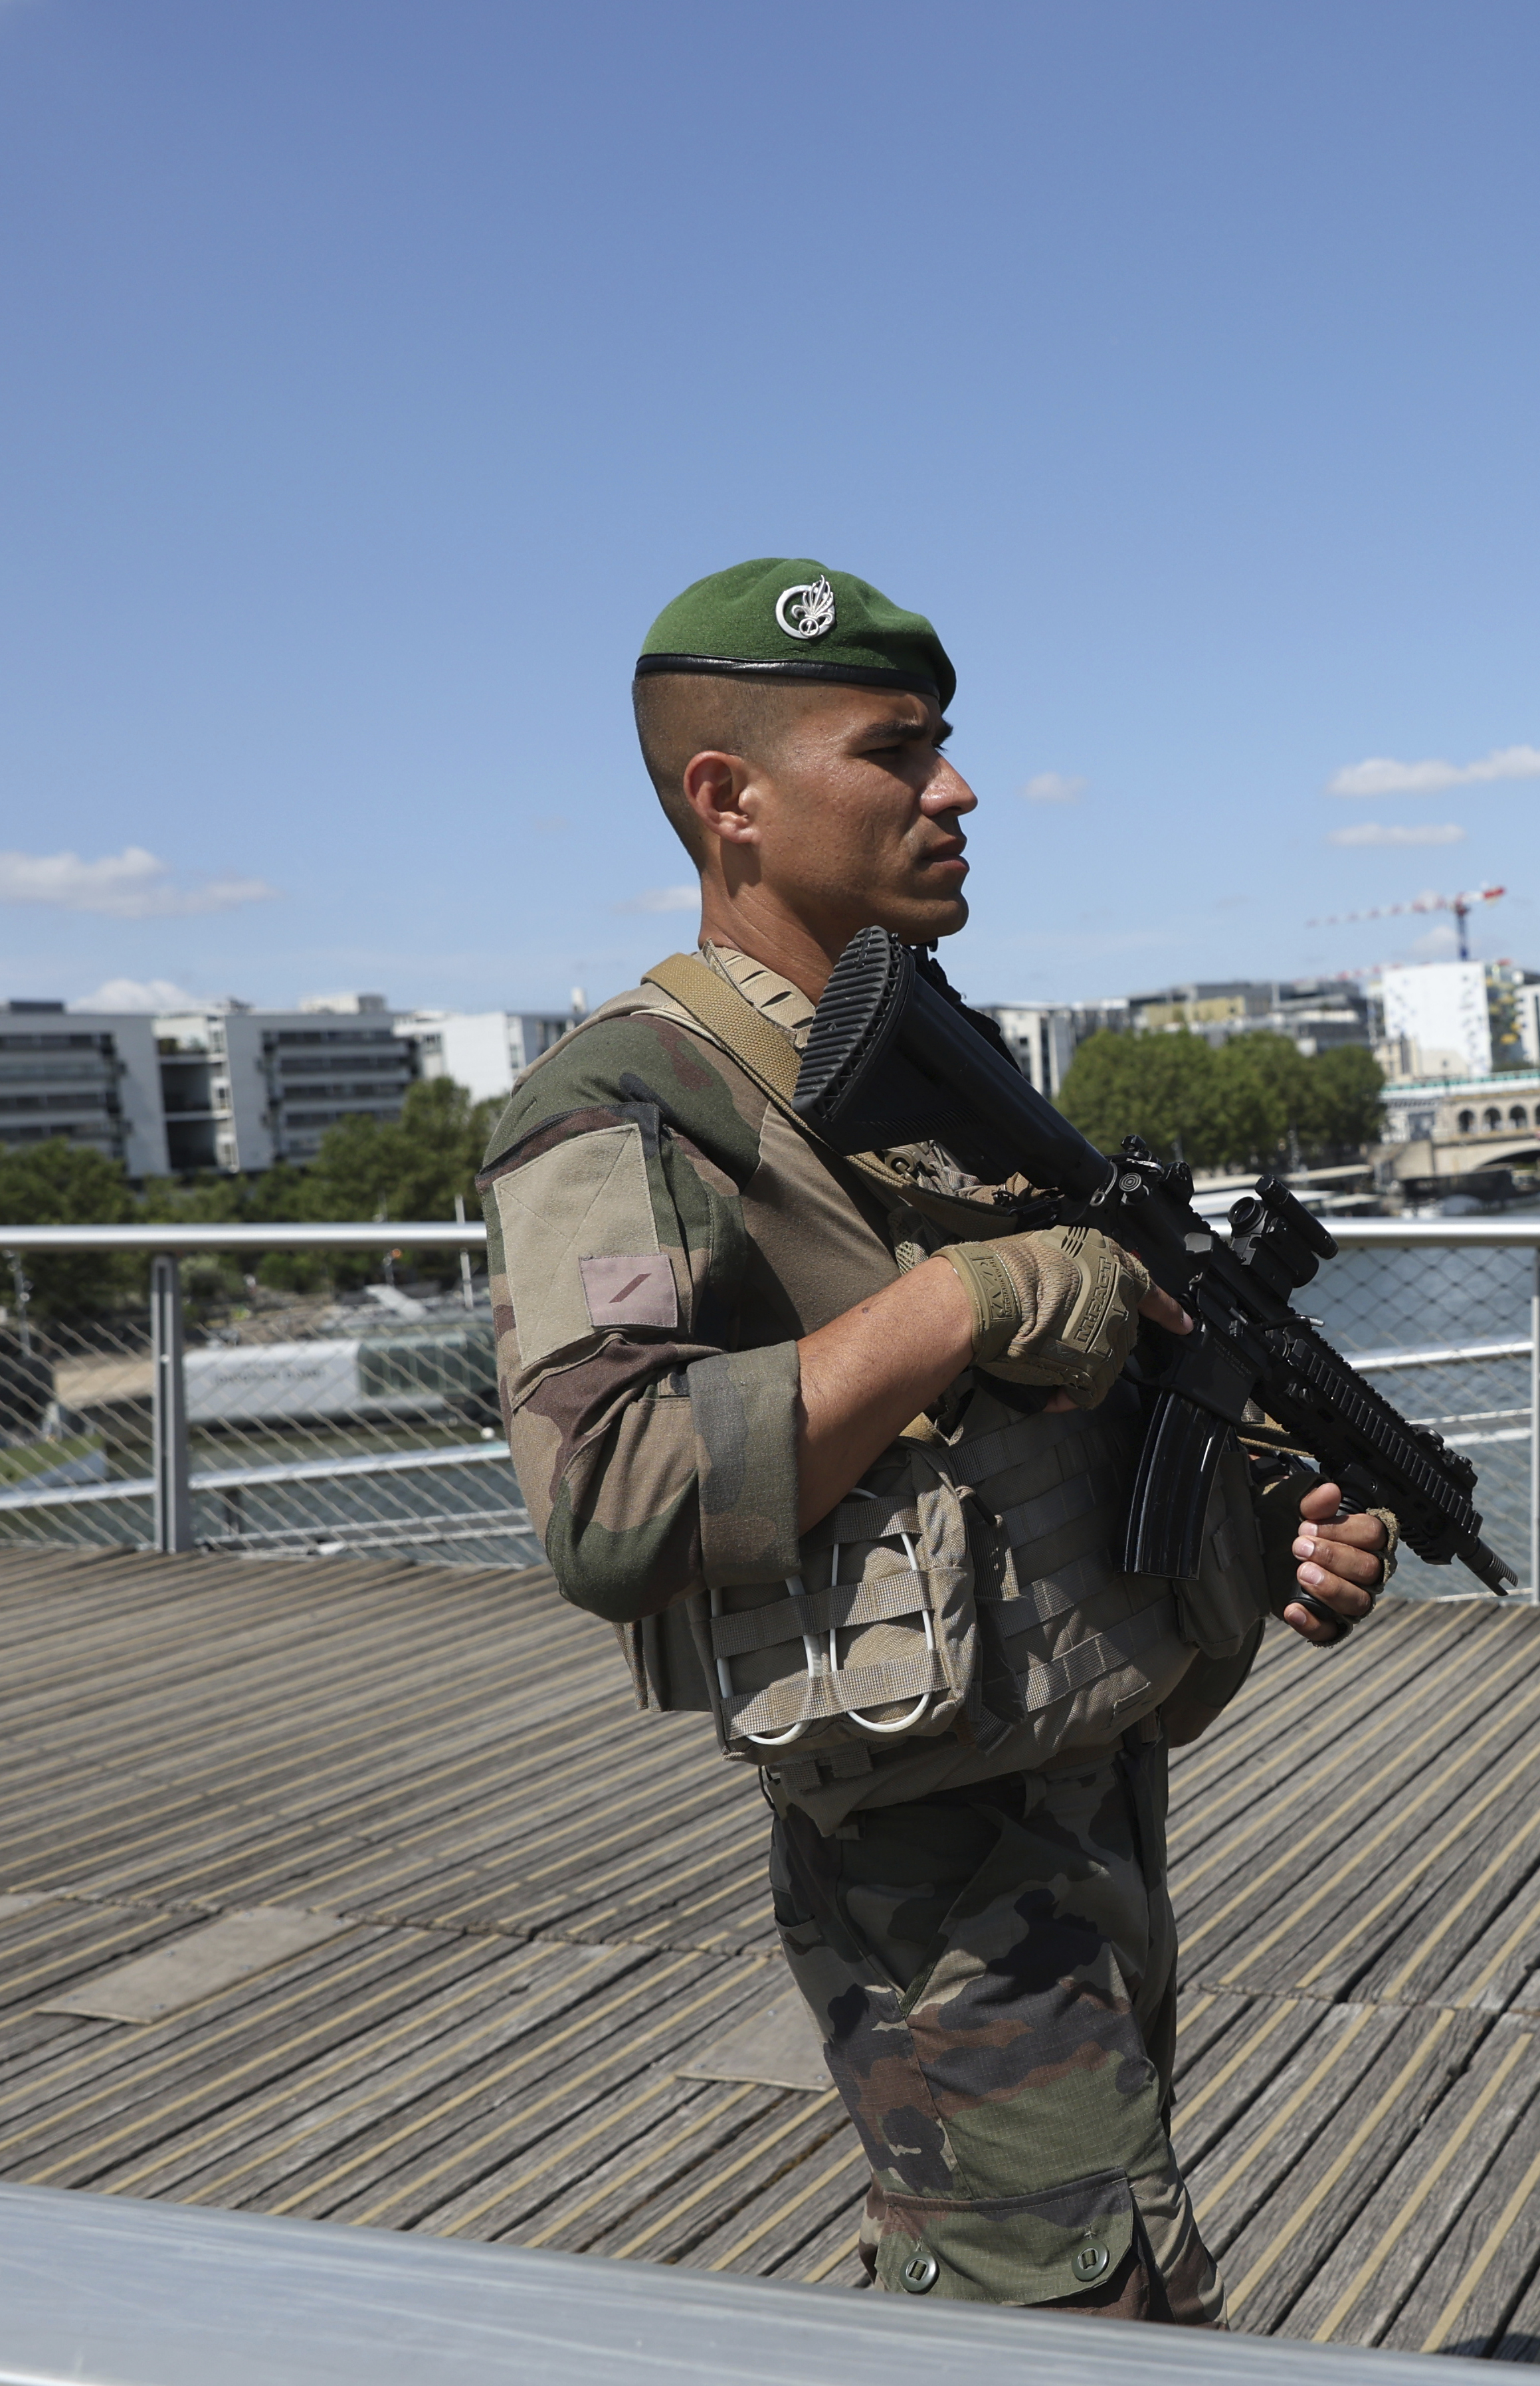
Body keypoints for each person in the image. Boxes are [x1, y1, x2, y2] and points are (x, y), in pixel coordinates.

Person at [480, 559, 1391, 2325]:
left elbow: (1059, 1399)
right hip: (932, 1862)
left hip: (1082, 1790)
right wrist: (960, 1303)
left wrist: (1263, 1508)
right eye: (895, 750)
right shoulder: (627, 1098)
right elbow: (611, 1497)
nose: (956, 789)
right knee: (1083, 2310)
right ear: (727, 798)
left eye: (945, 747)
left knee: (1049, 2286)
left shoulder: (924, 1060)